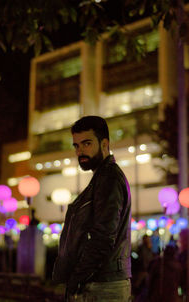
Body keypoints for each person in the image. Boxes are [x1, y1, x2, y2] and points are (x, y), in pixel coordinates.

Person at [52, 116, 132, 302]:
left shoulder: (109, 179)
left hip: (103, 285)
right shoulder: (102, 178)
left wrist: (77, 279)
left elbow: (103, 237)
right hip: (101, 282)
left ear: (104, 144)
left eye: (86, 144)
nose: (80, 151)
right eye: (76, 146)